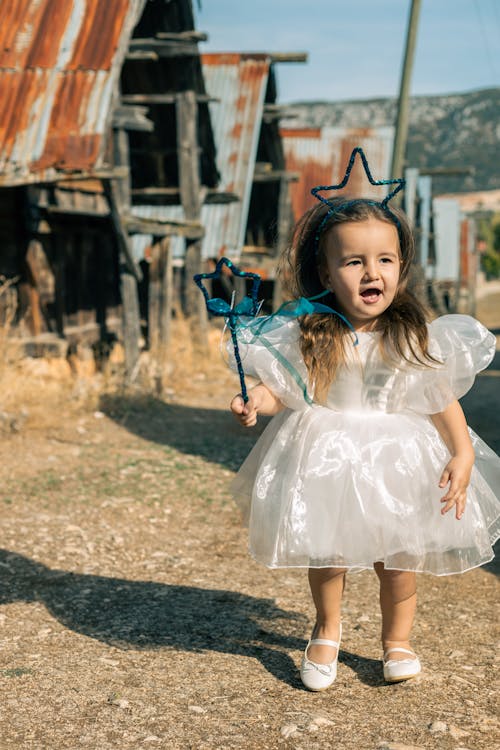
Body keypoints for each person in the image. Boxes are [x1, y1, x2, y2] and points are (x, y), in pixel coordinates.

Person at [227, 164, 500, 691]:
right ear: (328, 274)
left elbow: (440, 402)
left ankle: (397, 640)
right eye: (354, 261)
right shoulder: (311, 332)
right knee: (328, 553)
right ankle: (326, 629)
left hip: (397, 459)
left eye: (384, 260)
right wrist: (254, 400)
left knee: (399, 560)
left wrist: (462, 454)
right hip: (328, 453)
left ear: (401, 267)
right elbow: (285, 387)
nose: (371, 272)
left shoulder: (415, 335)